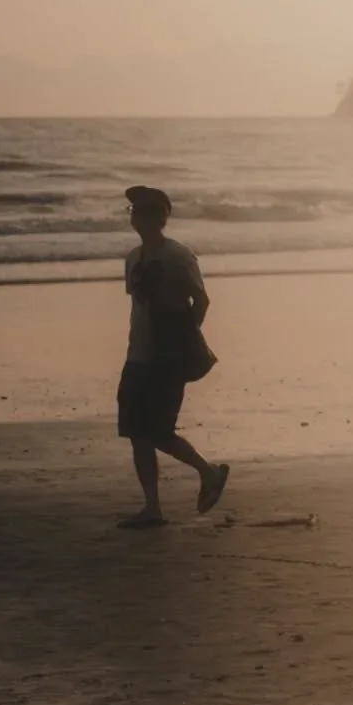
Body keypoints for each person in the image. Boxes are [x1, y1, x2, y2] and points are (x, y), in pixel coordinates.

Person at [116, 184, 229, 528]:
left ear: (160, 217)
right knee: (136, 432)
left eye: (145, 211)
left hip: (167, 359)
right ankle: (152, 507)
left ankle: (209, 471)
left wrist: (185, 338)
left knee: (160, 432)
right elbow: (138, 305)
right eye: (134, 211)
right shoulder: (133, 258)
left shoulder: (179, 256)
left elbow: (202, 300)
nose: (137, 217)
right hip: (137, 356)